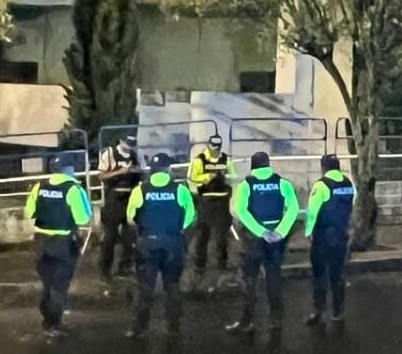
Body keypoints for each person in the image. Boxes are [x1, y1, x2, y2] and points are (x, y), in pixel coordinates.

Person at [226, 151, 299, 340]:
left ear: (253, 166)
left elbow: (240, 210)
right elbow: (294, 209)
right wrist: (280, 232)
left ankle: (247, 321)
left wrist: (261, 232)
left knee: (249, 281)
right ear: (268, 165)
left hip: (253, 240)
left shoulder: (246, 185)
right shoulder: (283, 183)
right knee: (274, 278)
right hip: (276, 240)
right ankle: (276, 320)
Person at [125, 153, 196, 341]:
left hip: (147, 243)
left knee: (144, 287)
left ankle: (138, 328)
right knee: (172, 286)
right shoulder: (180, 190)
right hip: (172, 243)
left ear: (151, 170)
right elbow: (190, 216)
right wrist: (178, 229)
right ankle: (173, 327)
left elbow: (131, 218)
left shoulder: (140, 190)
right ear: (168, 169)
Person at [23, 155, 93, 339]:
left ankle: (46, 320)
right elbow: (83, 218)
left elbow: (29, 212)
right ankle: (54, 323)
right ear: (68, 169)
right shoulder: (74, 189)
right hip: (63, 242)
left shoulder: (39, 186)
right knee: (60, 285)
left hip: (41, 241)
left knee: (47, 282)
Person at [303, 155, 357, 328]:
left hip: (323, 236)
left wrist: (308, 232)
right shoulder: (349, 183)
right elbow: (353, 206)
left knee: (319, 274)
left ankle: (318, 310)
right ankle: (337, 311)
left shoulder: (321, 185)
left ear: (323, 168)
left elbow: (312, 211)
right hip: (341, 235)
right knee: (338, 274)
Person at [186, 132, 232, 291]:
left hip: (222, 200)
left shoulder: (226, 158)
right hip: (206, 199)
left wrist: (226, 175)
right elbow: (192, 178)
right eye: (213, 147)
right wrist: (207, 177)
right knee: (203, 235)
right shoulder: (200, 160)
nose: (215, 150)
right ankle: (200, 264)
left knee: (222, 235)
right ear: (208, 145)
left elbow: (233, 174)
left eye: (217, 148)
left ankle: (222, 264)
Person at [97, 134, 141, 284]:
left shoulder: (133, 155)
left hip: (130, 198)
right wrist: (120, 172)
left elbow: (138, 174)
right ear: (121, 141)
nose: (130, 146)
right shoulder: (109, 154)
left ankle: (125, 267)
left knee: (130, 235)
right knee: (110, 236)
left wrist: (135, 172)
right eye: (128, 143)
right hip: (114, 198)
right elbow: (101, 176)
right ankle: (105, 270)